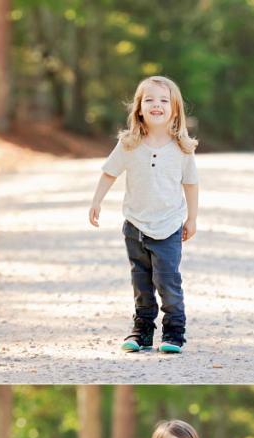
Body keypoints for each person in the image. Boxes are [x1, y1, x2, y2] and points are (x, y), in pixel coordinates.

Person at [89, 76, 198, 354]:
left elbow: (191, 184)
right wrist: (96, 201)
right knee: (141, 282)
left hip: (169, 226)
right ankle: (142, 331)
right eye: (149, 99)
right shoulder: (129, 144)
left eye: (164, 100)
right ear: (139, 108)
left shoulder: (182, 147)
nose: (156, 105)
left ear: (175, 110)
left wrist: (192, 218)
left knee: (167, 281)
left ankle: (174, 332)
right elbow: (109, 173)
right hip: (135, 226)